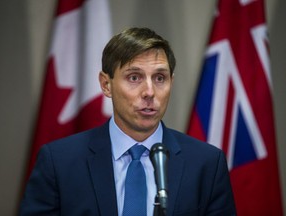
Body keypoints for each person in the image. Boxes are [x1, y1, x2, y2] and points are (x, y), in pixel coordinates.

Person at [19, 27, 236, 216]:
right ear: (106, 84)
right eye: (134, 77)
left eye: (160, 78)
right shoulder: (59, 162)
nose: (150, 92)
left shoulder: (207, 164)